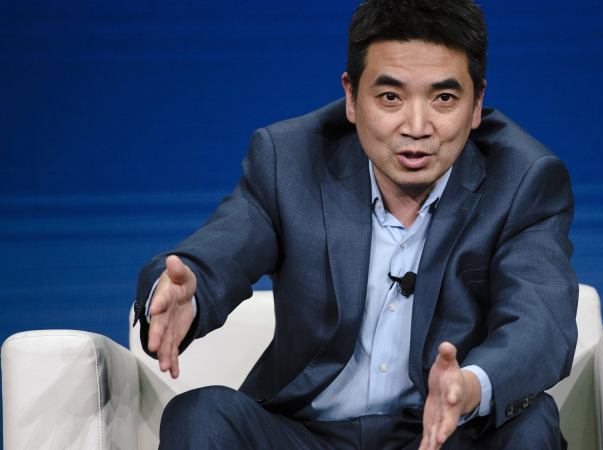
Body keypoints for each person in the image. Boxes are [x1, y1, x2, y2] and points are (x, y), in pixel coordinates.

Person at [134, 0, 578, 448]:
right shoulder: (291, 160)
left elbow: (539, 323)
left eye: (444, 98)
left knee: (532, 421)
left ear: (477, 103)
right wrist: (187, 295)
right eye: (391, 97)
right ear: (351, 96)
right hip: (304, 435)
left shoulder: (522, 179)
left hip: (444, 436)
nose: (417, 126)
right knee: (201, 414)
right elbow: (225, 248)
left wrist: (469, 387)